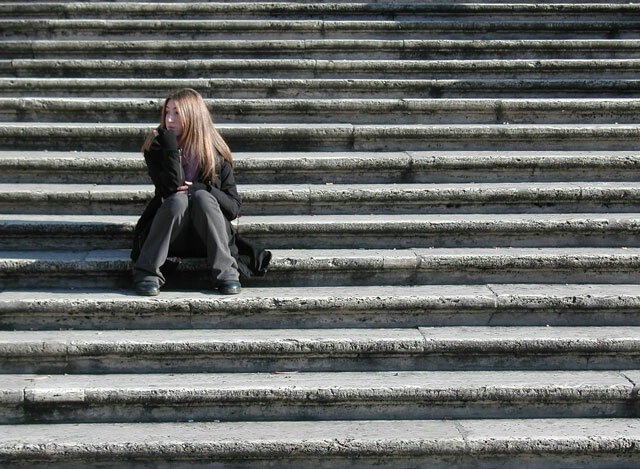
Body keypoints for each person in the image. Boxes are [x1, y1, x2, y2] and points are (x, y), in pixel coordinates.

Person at [130, 88, 269, 296]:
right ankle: (147, 272)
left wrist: (202, 188)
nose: (169, 119)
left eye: (176, 113)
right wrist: (170, 148)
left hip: (208, 236)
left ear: (193, 115)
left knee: (202, 197)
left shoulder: (217, 154)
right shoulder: (157, 147)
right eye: (167, 112)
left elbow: (233, 208)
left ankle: (226, 274)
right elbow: (170, 189)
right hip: (171, 236)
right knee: (178, 200)